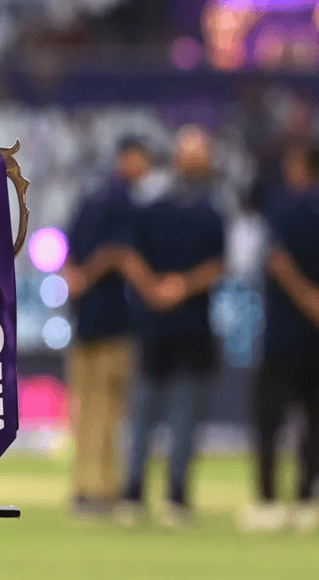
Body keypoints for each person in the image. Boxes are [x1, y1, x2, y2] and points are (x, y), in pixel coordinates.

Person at [116, 125, 225, 526]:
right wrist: (173, 288)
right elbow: (216, 266)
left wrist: (160, 289)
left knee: (161, 414)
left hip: (176, 327)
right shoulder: (200, 209)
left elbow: (129, 256)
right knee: (163, 415)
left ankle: (152, 494)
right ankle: (157, 495)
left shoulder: (171, 207)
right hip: (176, 327)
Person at [62, 137, 149, 516]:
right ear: (128, 159)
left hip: (83, 321)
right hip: (114, 321)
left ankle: (84, 486)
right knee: (110, 409)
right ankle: (103, 487)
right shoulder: (126, 204)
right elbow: (120, 254)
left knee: (85, 407)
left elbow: (67, 248)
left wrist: (76, 278)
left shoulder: (89, 200)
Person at [241, 142, 319, 533]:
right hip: (313, 336)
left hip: (282, 334)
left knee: (270, 420)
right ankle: (307, 499)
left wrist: (304, 295)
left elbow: (275, 258)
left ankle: (269, 501)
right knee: (314, 420)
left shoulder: (284, 206)